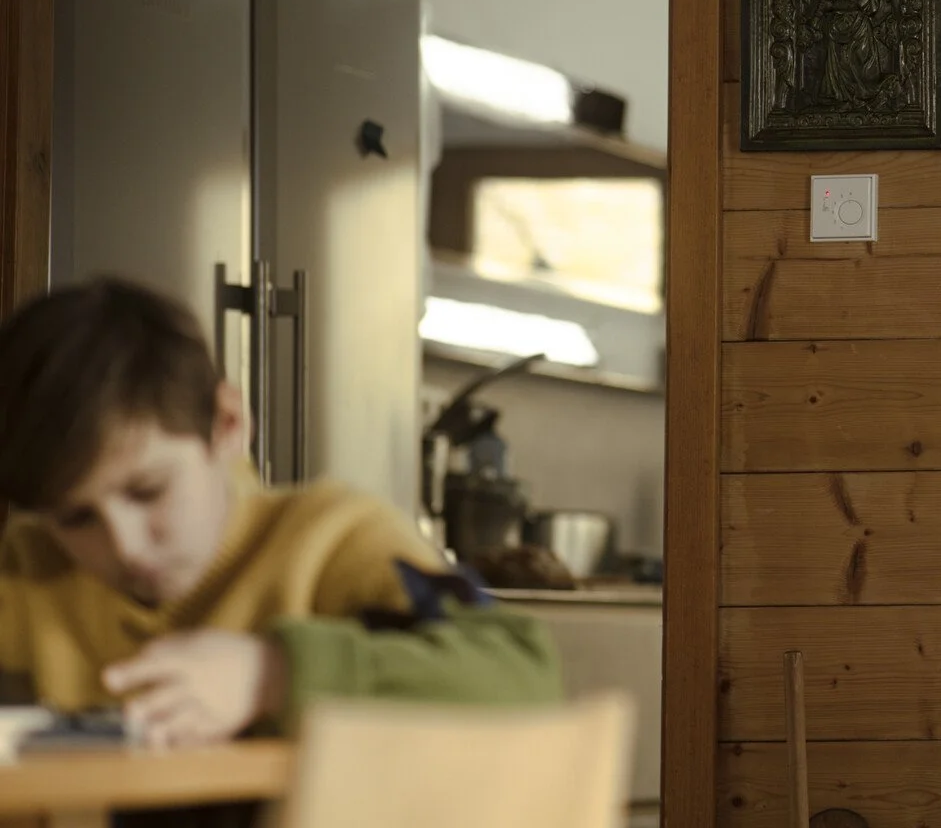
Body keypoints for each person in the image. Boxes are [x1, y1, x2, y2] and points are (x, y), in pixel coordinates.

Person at [0, 278, 564, 754]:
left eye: (148, 492)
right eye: (76, 519)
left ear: (226, 423)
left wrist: (272, 675)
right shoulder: (27, 567)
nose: (123, 546)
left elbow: (524, 676)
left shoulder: (334, 539)